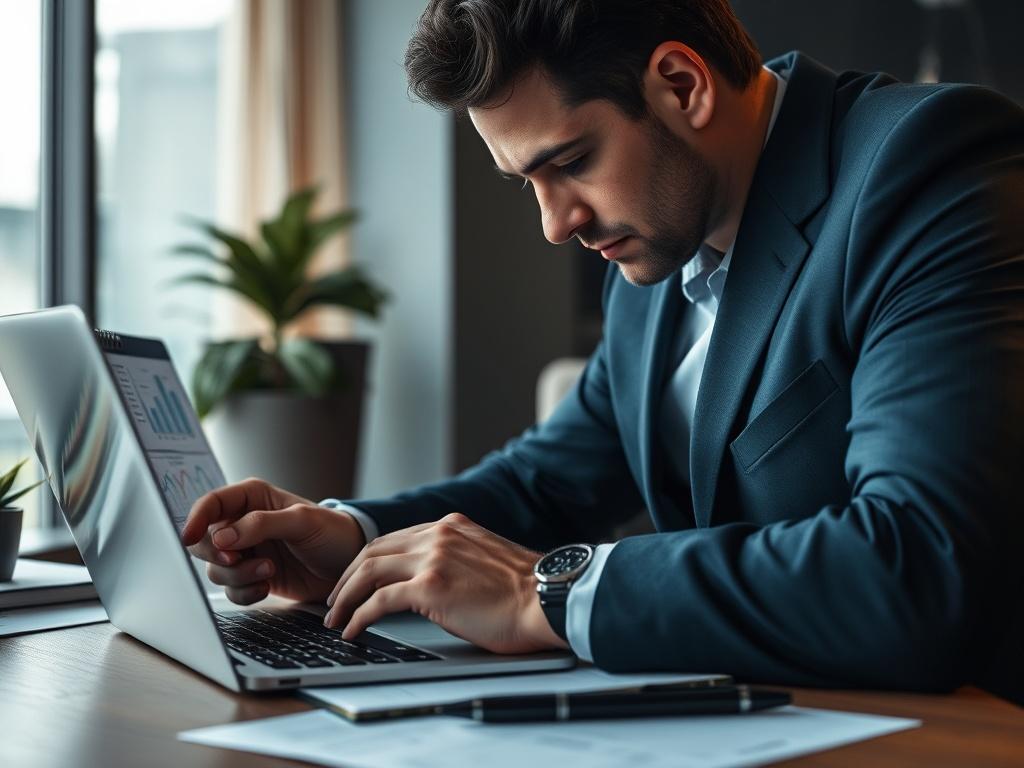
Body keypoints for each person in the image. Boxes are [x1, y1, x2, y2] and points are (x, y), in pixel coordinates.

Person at [182, 0, 1024, 699]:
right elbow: (545, 482)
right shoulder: (652, 257)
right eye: (529, 185)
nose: (556, 225)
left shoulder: (928, 170)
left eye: (572, 162)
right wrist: (352, 539)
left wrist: (545, 591)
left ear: (681, 84)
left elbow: (917, 564)